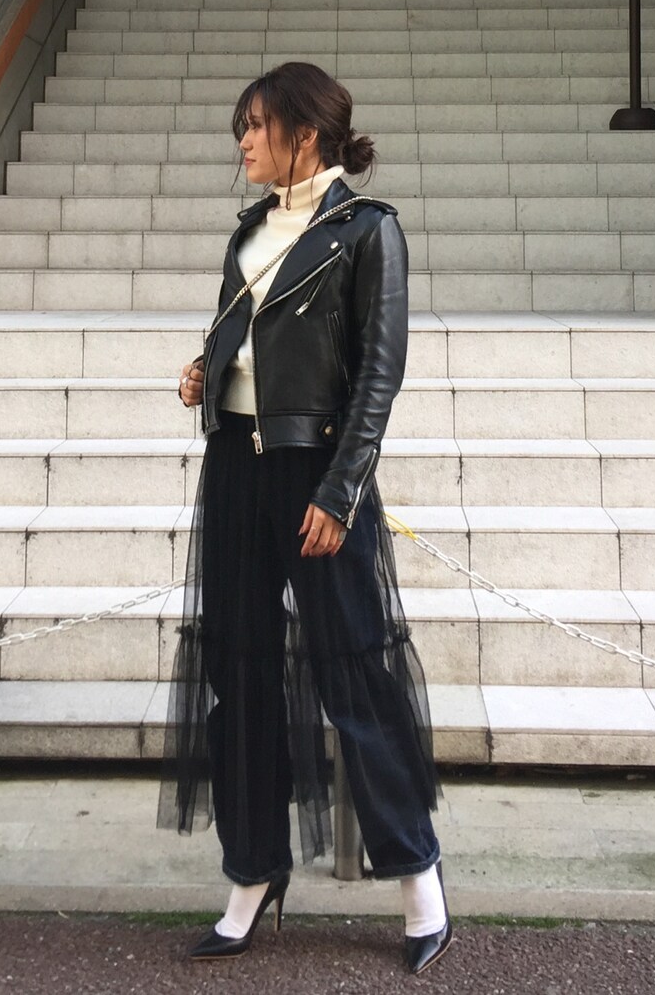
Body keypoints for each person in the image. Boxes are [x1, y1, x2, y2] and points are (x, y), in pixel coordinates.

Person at [158, 61, 452, 974]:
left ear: (307, 134)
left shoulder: (369, 231)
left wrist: (339, 491)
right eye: (242, 127)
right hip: (235, 470)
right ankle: (253, 875)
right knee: (239, 675)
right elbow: (242, 331)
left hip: (315, 474)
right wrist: (207, 371)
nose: (244, 141)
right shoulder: (249, 230)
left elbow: (377, 377)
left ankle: (420, 881)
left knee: (354, 673)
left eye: (257, 125)